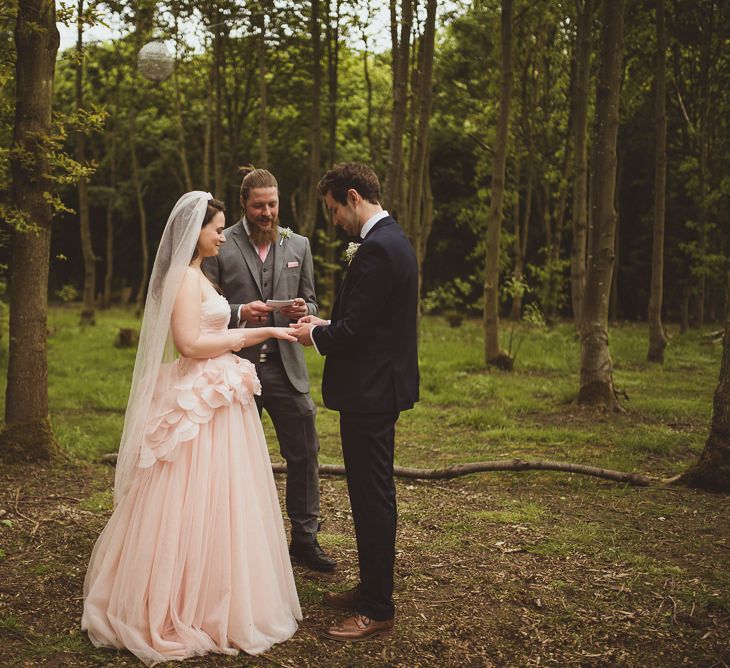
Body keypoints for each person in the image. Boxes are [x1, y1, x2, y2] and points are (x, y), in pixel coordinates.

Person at [82, 192, 301, 666]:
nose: (223, 235)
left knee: (221, 501)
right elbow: (189, 343)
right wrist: (256, 333)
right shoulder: (184, 277)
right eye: (217, 228)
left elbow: (212, 320)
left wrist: (252, 315)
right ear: (195, 232)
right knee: (188, 498)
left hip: (217, 394)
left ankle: (217, 592)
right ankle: (177, 601)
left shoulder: (198, 275)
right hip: (199, 397)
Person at [291, 163, 419, 641]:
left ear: (352, 196)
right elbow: (368, 318)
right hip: (374, 389)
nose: (334, 220)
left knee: (372, 497)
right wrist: (321, 322)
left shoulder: (380, 249)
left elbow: (358, 331)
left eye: (333, 210)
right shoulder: (386, 242)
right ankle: (370, 587)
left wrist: (314, 335)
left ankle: (377, 607)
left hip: (372, 392)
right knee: (369, 494)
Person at [203, 167, 336, 573]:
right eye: (259, 205)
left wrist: (303, 310)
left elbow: (311, 301)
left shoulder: (299, 244)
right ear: (244, 203)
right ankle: (229, 543)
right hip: (234, 369)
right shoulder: (220, 245)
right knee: (230, 458)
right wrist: (242, 312)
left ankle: (305, 540)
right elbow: (203, 308)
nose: (267, 212)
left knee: (305, 452)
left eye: (273, 204)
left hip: (286, 368)